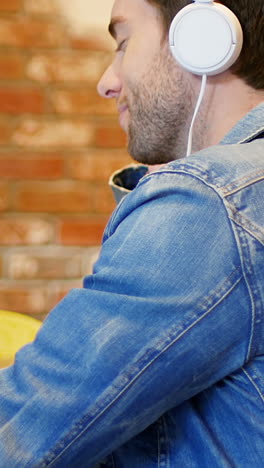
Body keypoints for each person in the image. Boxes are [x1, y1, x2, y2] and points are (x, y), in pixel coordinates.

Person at [0, 0, 263, 466]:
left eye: (124, 43)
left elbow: (23, 428)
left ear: (203, 39)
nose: (107, 81)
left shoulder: (209, 204)